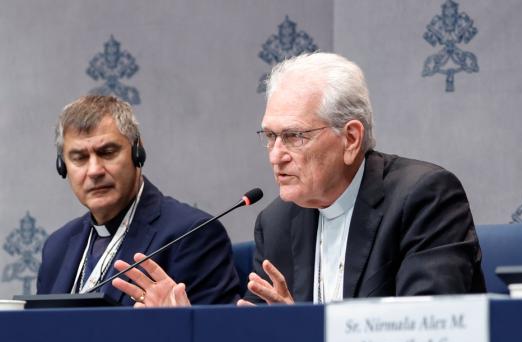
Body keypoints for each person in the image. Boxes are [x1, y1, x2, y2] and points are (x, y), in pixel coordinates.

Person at [112, 52, 486, 306]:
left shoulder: (423, 197)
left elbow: (425, 335)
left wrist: (302, 334)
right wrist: (188, 327)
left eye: (294, 136)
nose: (276, 155)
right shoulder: (276, 222)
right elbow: (258, 339)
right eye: (270, 137)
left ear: (351, 139)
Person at [36, 95, 240, 306]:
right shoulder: (57, 247)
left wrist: (176, 322)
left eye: (107, 153)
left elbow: (217, 334)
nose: (95, 170)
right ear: (63, 166)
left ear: (137, 152)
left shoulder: (192, 235)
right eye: (79, 158)